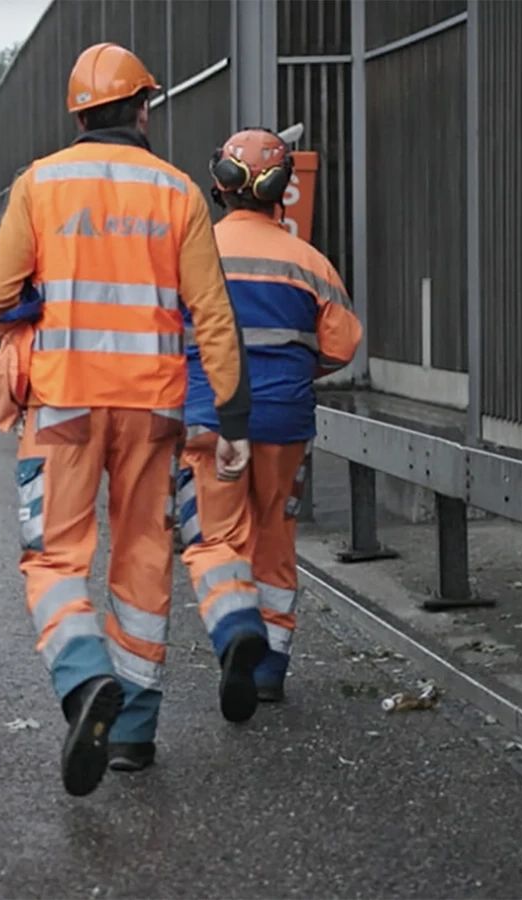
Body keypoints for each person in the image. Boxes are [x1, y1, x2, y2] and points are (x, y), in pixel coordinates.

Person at [0, 42, 250, 795]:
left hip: (62, 401)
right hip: (154, 407)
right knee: (141, 556)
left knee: (54, 559)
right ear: (142, 108)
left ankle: (84, 676)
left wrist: (32, 304)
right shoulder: (179, 192)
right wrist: (232, 415)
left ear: (77, 113)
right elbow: (212, 314)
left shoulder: (40, 182)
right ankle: (131, 731)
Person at [175, 127, 362, 721]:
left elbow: (168, 334)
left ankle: (234, 628)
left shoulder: (191, 252)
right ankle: (270, 668)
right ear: (283, 193)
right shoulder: (310, 262)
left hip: (211, 419)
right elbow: (341, 345)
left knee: (213, 537)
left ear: (219, 187)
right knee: (276, 538)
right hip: (285, 423)